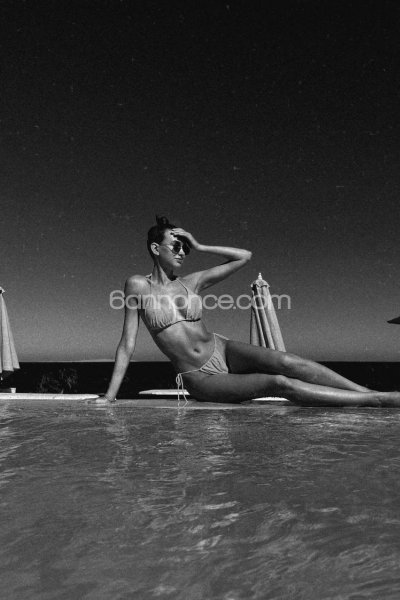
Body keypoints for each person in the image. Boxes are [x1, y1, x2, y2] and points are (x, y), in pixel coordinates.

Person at [97, 216, 400, 407]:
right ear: (155, 249)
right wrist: (110, 396)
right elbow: (127, 344)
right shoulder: (138, 285)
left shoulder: (192, 282)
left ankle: (366, 391)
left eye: (184, 248)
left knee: (287, 361)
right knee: (278, 383)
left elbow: (244, 257)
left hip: (222, 349)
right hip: (199, 375)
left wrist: (200, 246)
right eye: (175, 246)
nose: (182, 252)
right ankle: (376, 400)